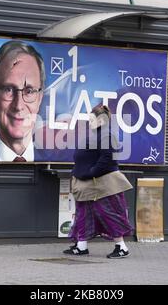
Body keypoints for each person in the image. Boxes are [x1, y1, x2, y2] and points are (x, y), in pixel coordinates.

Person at [64, 105, 134, 258]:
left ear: (101, 120)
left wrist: (91, 173)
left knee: (108, 214)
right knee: (83, 213)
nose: (89, 123)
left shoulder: (107, 135)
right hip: (87, 184)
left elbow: (107, 159)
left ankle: (121, 247)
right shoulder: (96, 134)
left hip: (102, 184)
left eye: (91, 120)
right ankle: (81, 246)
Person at [0, 40, 45, 162]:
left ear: (40, 98)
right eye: (8, 89)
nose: (18, 105)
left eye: (29, 91)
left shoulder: (53, 159)